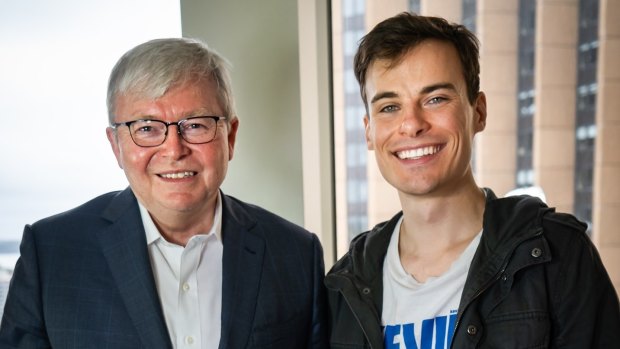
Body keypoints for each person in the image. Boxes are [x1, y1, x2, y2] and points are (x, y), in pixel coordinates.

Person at [0, 38, 328, 348]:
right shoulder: (51, 254)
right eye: (146, 128)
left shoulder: (296, 254)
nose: (173, 150)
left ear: (229, 137)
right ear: (116, 145)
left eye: (196, 125)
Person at [325, 12, 620, 349]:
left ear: (478, 111)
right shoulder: (344, 284)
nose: (412, 124)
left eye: (435, 99)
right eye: (389, 107)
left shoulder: (557, 254)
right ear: (369, 132)